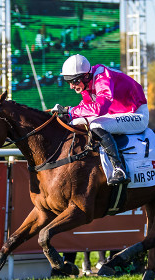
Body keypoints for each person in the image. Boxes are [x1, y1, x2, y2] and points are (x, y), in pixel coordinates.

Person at [52, 54, 148, 185]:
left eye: (74, 81)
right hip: (117, 113)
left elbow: (99, 108)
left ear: (85, 76)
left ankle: (119, 169)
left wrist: (70, 110)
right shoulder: (87, 83)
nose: (71, 86)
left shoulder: (102, 78)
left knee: (96, 125)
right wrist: (68, 115)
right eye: (68, 81)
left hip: (136, 114)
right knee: (76, 122)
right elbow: (86, 108)